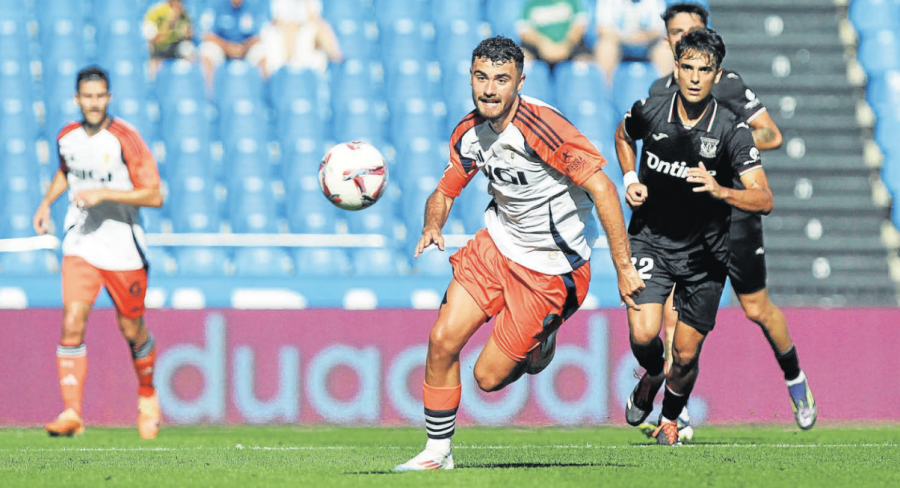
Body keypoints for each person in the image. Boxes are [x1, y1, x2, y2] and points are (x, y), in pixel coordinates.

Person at [395, 35, 644, 470]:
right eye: (481, 77)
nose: (489, 89)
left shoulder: (542, 129)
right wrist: (433, 224)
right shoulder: (469, 133)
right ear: (470, 78)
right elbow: (443, 191)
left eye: (501, 79)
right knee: (441, 340)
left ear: (519, 83)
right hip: (496, 246)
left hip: (551, 269)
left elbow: (603, 188)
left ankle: (540, 341)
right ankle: (437, 454)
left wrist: (623, 268)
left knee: (487, 379)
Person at [639, 2, 815, 439]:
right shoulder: (660, 92)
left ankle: (796, 380)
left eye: (693, 30)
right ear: (669, 43)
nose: (686, 38)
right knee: (667, 319)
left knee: (756, 308)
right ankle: (672, 414)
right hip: (681, 226)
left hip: (733, 215)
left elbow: (771, 134)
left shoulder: (728, 86)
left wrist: (719, 146)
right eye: (678, 33)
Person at [616, 28, 774, 445]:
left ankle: (669, 417)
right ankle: (651, 376)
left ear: (716, 74)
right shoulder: (651, 110)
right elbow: (622, 134)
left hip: (706, 254)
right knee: (644, 335)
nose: (694, 77)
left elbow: (764, 198)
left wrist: (722, 190)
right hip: (650, 239)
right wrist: (630, 177)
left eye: (704, 70)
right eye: (687, 67)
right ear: (676, 66)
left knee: (685, 354)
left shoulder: (731, 130)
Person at [32, 66, 164, 439]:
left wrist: (104, 194)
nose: (94, 102)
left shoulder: (126, 138)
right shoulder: (67, 137)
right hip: (82, 243)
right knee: (73, 319)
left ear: (109, 97)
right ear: (77, 99)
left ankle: (147, 395)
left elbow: (154, 194)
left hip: (124, 247)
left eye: (100, 96)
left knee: (131, 328)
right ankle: (72, 412)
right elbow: (66, 171)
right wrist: (45, 204)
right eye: (87, 96)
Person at [258, 0, 343, 77]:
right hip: (281, 40)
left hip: (304, 41)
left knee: (319, 35)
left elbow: (315, 20)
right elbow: (278, 21)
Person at [594, 0, 671, 81]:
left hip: (647, 44)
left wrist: (645, 36)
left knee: (665, 48)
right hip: (620, 42)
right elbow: (602, 29)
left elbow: (660, 29)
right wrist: (627, 37)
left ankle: (664, 89)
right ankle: (606, 89)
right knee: (605, 47)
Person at [199, 0, 267, 83]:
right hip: (223, 47)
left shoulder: (253, 5)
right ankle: (209, 92)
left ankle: (263, 91)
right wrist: (227, 47)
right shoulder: (216, 4)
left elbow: (259, 36)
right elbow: (207, 35)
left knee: (260, 50)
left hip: (245, 47)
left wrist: (243, 48)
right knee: (207, 50)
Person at [517, 0, 594, 69]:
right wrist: (543, 44)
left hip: (569, 47)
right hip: (539, 49)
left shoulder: (573, 2)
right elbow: (525, 32)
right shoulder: (530, 4)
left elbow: (579, 27)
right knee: (522, 59)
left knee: (585, 63)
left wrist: (566, 45)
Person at [143, 0, 195, 76]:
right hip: (160, 47)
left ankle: (187, 79)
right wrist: (170, 22)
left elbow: (188, 36)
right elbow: (154, 39)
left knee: (188, 49)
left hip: (176, 47)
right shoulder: (156, 11)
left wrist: (188, 31)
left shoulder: (183, 13)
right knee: (153, 64)